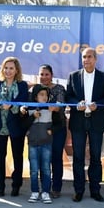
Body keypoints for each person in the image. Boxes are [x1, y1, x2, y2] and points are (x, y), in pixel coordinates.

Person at [66, 47, 104, 202]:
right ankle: (78, 190)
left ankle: (95, 190)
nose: (86, 60)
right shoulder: (73, 76)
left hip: (96, 122)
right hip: (78, 121)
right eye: (84, 57)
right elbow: (68, 96)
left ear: (95, 59)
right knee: (78, 157)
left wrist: (97, 105)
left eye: (89, 57)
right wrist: (75, 103)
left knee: (95, 157)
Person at [0, 56, 28, 197]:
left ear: (16, 70)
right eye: (6, 68)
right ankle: (0, 188)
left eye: (11, 68)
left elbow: (24, 103)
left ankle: (16, 186)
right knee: (0, 157)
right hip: (0, 126)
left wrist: (12, 106)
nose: (8, 71)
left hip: (16, 126)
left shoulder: (22, 85)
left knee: (18, 158)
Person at [20, 84, 61, 204]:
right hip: (33, 144)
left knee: (46, 169)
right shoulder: (29, 108)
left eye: (46, 95)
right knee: (33, 170)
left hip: (47, 143)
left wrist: (51, 131)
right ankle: (34, 192)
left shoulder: (51, 108)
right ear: (35, 96)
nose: (44, 97)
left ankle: (45, 192)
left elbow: (59, 124)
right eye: (41, 95)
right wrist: (32, 116)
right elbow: (23, 125)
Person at [38, 64, 67, 199]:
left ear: (52, 75)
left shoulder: (59, 89)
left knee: (56, 158)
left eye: (46, 74)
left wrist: (54, 108)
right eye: (41, 74)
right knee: (43, 159)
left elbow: (61, 107)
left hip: (57, 128)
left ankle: (56, 188)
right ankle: (45, 187)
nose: (44, 77)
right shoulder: (36, 90)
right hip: (41, 129)